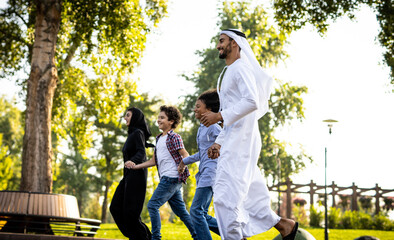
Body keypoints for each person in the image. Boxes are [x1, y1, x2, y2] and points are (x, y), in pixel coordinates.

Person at [200, 29, 299, 240]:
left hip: (242, 142)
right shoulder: (230, 71)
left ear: (234, 43)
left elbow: (251, 101)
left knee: (225, 199)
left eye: (221, 41)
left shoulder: (240, 68)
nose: (218, 45)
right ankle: (284, 226)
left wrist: (218, 116)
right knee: (250, 196)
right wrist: (219, 141)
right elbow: (234, 111)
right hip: (235, 140)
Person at [131, 105, 197, 240]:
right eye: (158, 117)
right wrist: (135, 166)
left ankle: (156, 238)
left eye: (162, 118)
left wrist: (183, 165)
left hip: (171, 178)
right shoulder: (159, 138)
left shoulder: (174, 137)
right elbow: (153, 161)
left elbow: (185, 154)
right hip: (168, 179)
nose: (158, 120)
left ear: (171, 121)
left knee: (152, 205)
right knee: (182, 213)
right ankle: (198, 236)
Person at [178, 89, 222, 240]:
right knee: (201, 213)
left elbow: (226, 142)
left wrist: (218, 148)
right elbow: (202, 154)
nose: (194, 109)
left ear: (209, 109)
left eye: (198, 106)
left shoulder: (214, 127)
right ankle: (233, 235)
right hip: (204, 172)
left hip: (211, 173)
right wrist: (184, 161)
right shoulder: (203, 128)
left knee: (196, 211)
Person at [109, 107, 152, 240]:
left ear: (135, 117)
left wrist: (132, 161)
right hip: (128, 176)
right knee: (115, 207)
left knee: (131, 214)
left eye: (128, 115)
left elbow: (141, 152)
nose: (125, 118)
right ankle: (136, 236)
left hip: (136, 176)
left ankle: (143, 237)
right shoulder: (132, 134)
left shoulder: (138, 132)